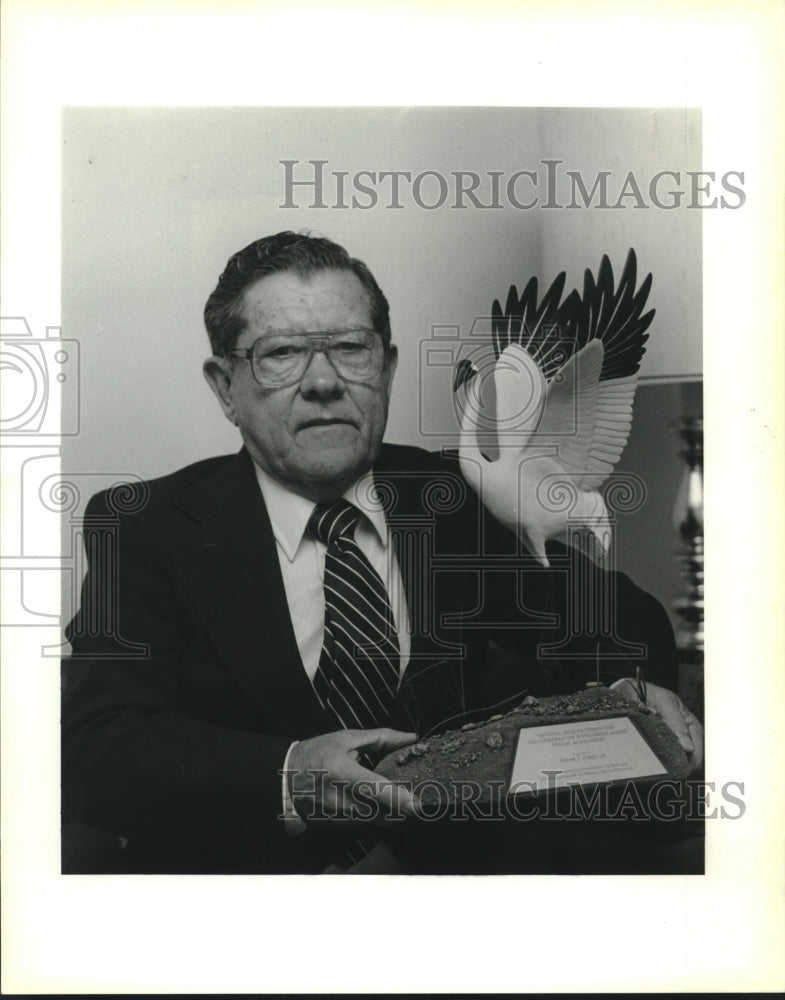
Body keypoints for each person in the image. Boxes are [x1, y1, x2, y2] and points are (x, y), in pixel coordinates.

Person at [61, 231, 703, 874]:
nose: (323, 382)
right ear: (225, 387)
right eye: (281, 353)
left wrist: (627, 686)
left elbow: (614, 618)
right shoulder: (144, 527)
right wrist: (293, 775)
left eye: (349, 348)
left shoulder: (456, 493)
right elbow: (96, 747)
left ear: (387, 368)